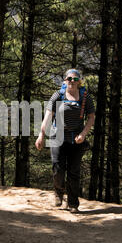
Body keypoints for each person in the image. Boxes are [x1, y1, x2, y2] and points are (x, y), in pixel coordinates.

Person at [35, 69, 95, 213]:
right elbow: (48, 117)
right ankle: (58, 192)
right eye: (69, 79)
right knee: (58, 168)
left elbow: (91, 117)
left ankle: (73, 203)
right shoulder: (58, 96)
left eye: (75, 79)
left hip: (76, 139)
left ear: (79, 82)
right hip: (57, 136)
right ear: (65, 81)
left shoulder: (85, 97)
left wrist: (84, 134)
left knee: (74, 171)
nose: (72, 82)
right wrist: (41, 135)